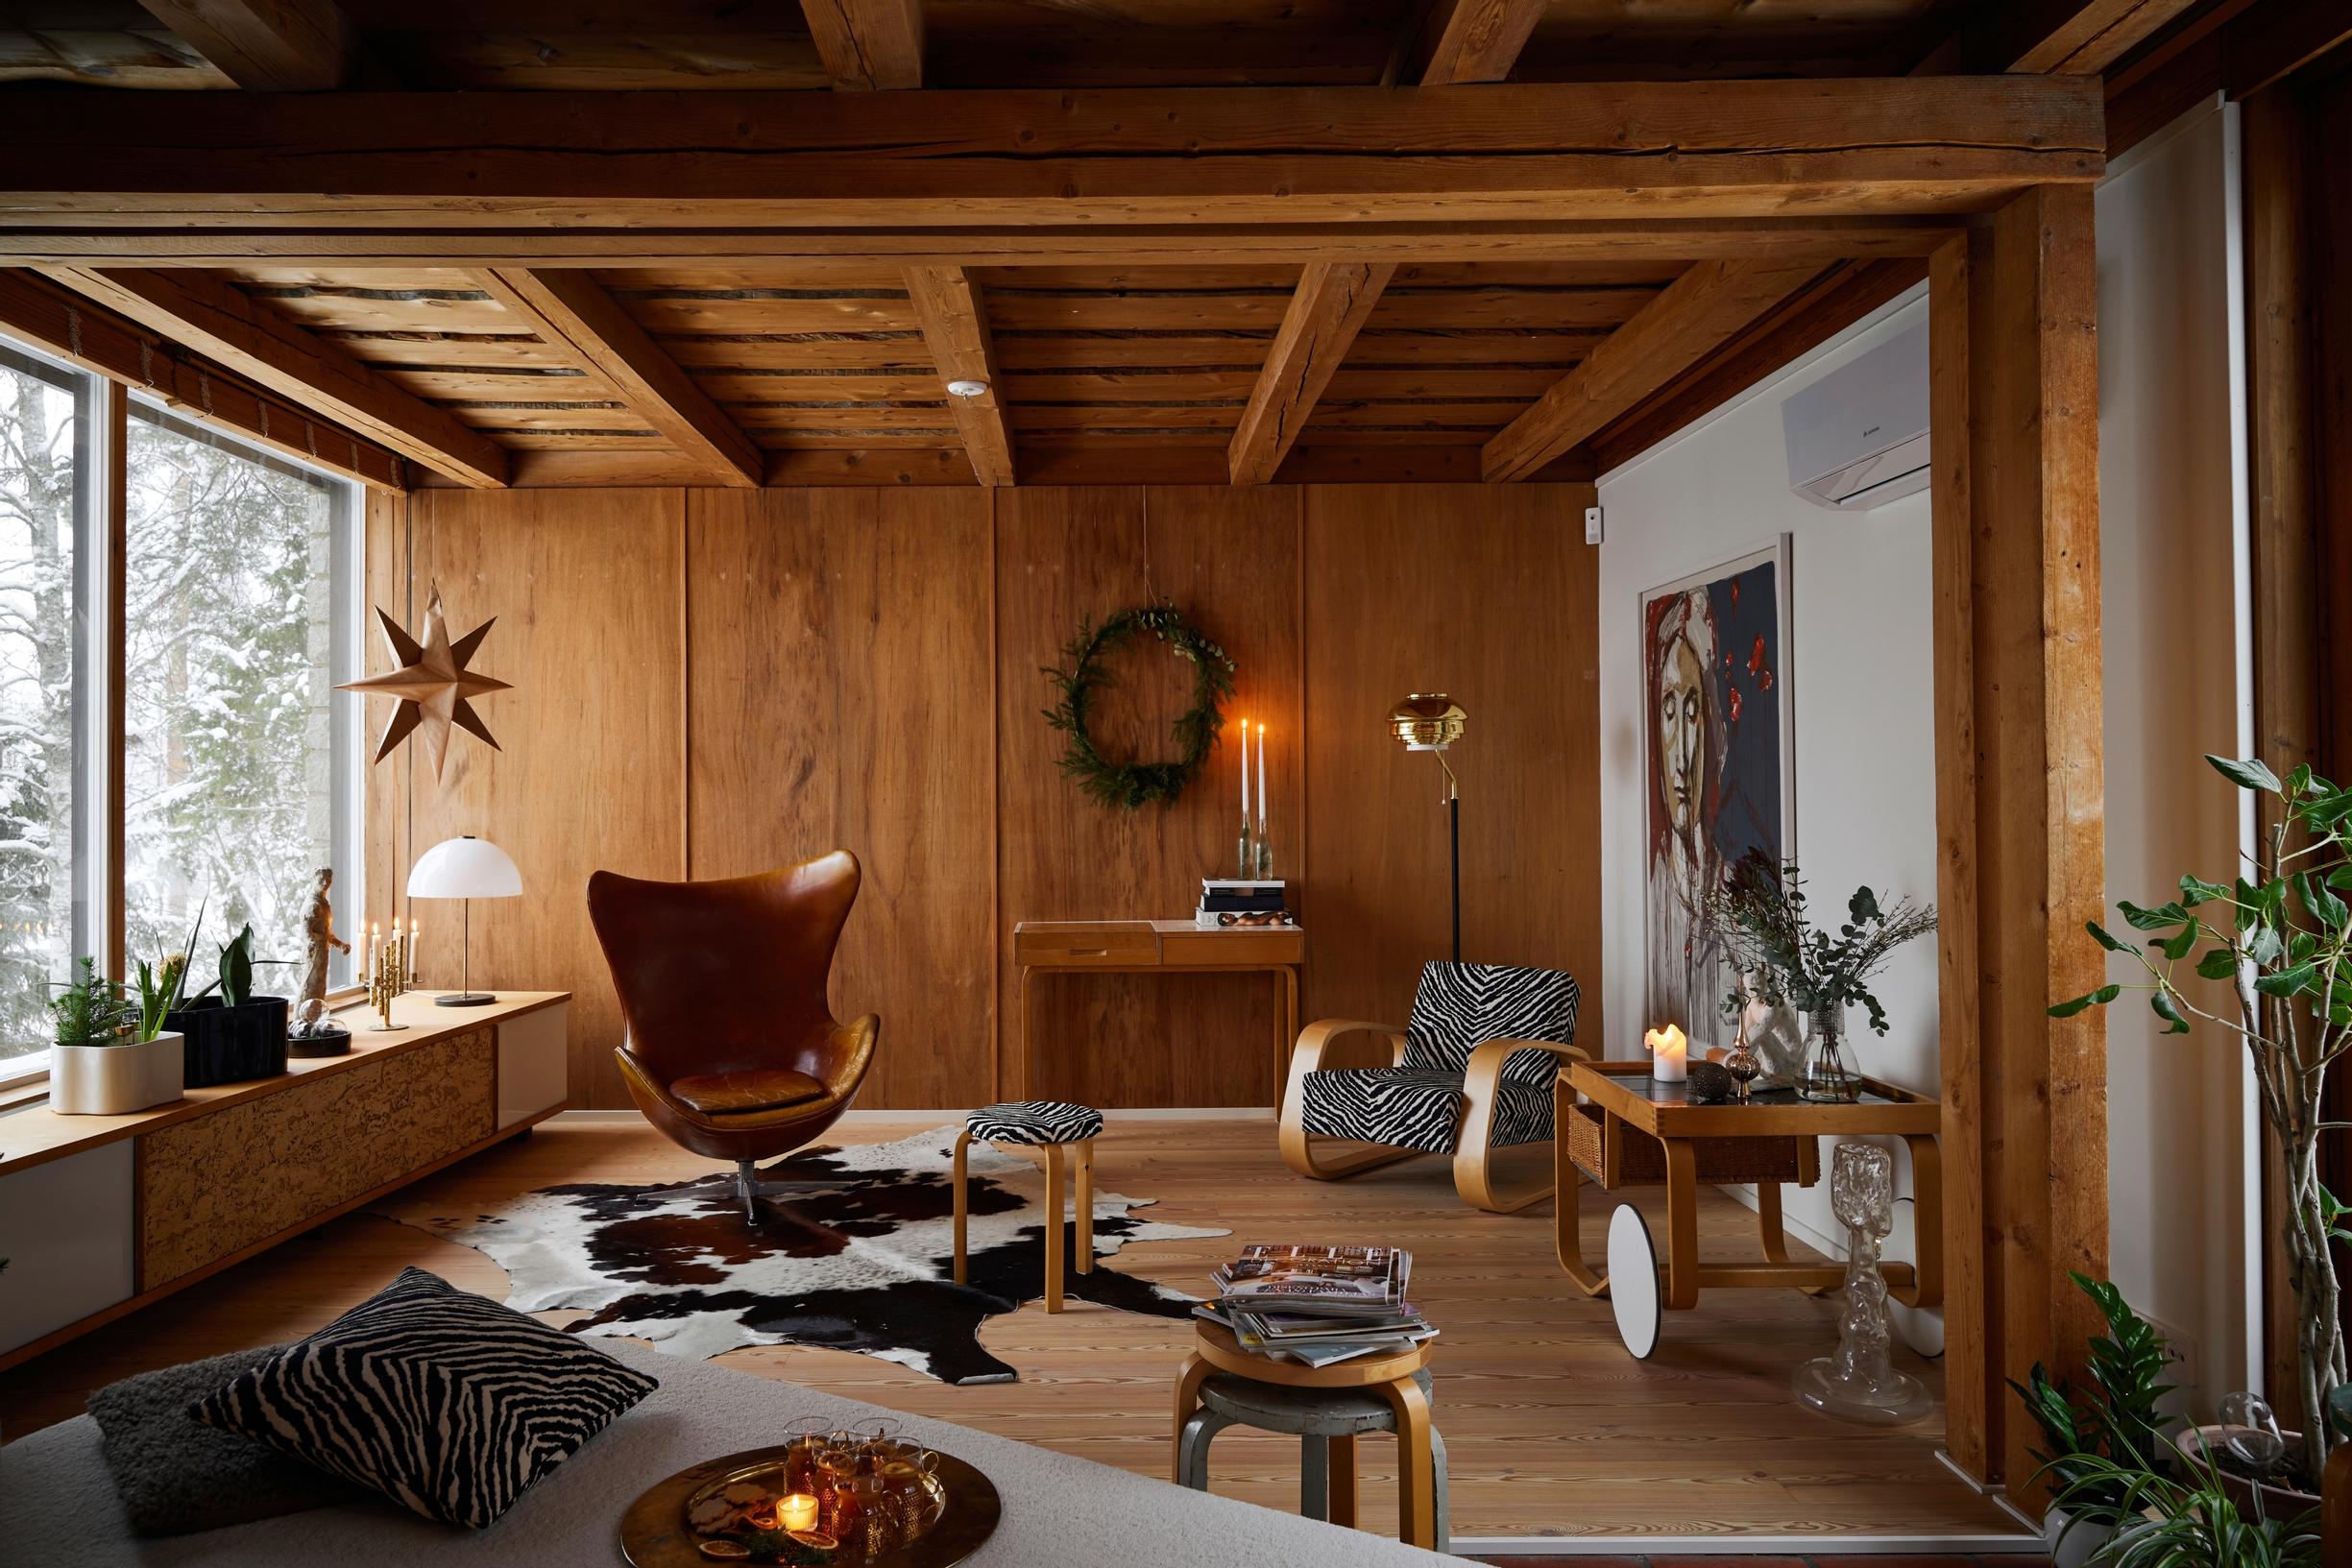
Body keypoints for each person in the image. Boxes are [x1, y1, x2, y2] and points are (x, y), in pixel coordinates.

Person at [1644, 587, 1727, 1044]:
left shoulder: (1740, 914)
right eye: (1668, 711)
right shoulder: (1655, 892)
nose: (1681, 758)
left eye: (1692, 712)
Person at [301, 867, 352, 1006]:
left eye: (329, 878)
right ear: (313, 879)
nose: (325, 882)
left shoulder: (323, 904)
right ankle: (302, 1020)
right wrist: (319, 941)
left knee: (320, 986)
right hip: (314, 953)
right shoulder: (313, 905)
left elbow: (327, 932)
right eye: (321, 879)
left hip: (323, 952)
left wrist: (340, 944)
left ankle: (315, 1019)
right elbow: (306, 933)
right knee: (310, 986)